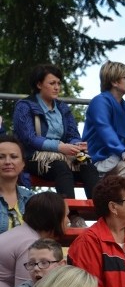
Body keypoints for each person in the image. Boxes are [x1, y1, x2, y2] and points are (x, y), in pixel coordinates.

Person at [12, 64, 99, 209]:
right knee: (60, 167)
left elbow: (73, 134)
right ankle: (71, 214)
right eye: (52, 83)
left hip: (64, 153)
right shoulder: (24, 106)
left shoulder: (63, 107)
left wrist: (77, 145)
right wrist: (59, 147)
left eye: (58, 83)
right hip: (33, 156)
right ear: (39, 84)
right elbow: (29, 138)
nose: (57, 87)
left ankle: (102, 213)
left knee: (88, 164)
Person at [0, 191, 67, 287]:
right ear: (54, 218)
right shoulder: (30, 244)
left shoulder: (23, 234)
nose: (68, 220)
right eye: (66, 215)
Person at [81, 61, 125, 181]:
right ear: (114, 82)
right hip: (97, 160)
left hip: (117, 157)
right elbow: (105, 129)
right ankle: (122, 199)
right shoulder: (99, 102)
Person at [0, 135, 34, 234]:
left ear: (23, 163)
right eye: (1, 157)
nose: (7, 162)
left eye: (13, 157)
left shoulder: (31, 199)